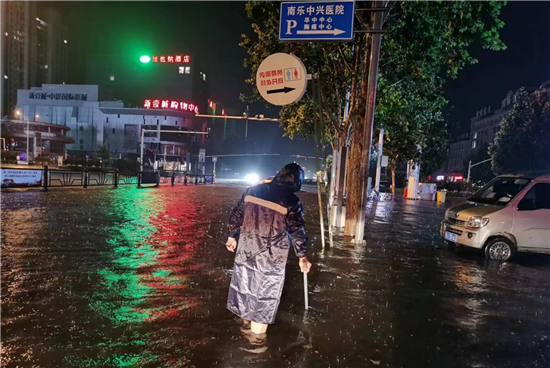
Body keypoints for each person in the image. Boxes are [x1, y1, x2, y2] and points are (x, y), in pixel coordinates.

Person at [226, 163, 312, 335]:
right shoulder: (292, 201)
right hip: (271, 257)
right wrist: (302, 256)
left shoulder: (253, 190)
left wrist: (231, 236)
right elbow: (297, 230)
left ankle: (243, 335)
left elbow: (237, 213)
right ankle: (255, 347)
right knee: (264, 299)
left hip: (246, 250)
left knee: (245, 289)